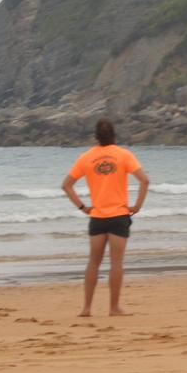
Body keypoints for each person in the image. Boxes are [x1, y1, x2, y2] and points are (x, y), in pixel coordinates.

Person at [63, 119, 149, 317]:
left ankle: (86, 308)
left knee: (94, 262)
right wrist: (137, 206)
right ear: (114, 135)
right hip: (119, 215)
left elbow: (67, 185)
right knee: (116, 263)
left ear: (96, 136)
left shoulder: (86, 157)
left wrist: (83, 207)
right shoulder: (124, 155)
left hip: (98, 217)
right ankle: (114, 308)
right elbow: (145, 180)